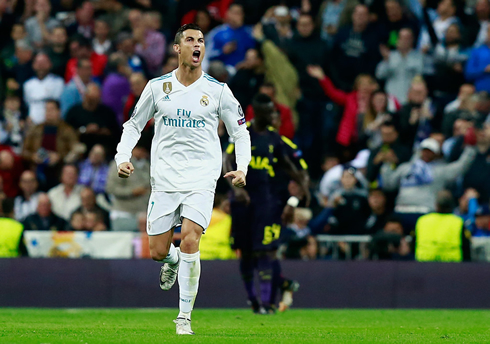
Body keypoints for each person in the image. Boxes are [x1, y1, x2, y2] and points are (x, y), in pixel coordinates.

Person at [114, 24, 251, 335]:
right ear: (177, 48)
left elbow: (240, 132)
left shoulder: (218, 91)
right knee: (158, 252)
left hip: (202, 177)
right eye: (190, 40)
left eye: (201, 40)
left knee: (191, 237)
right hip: (164, 178)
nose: (197, 45)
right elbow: (134, 125)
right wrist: (122, 157)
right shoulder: (156, 87)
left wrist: (242, 167)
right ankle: (172, 261)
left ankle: (184, 318)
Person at [225, 94, 307, 314]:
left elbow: (298, 171)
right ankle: (255, 300)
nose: (273, 115)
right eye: (269, 111)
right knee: (246, 251)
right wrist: (234, 190)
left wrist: (294, 200)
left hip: (267, 203)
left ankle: (267, 303)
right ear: (257, 112)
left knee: (265, 251)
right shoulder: (242, 133)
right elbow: (226, 160)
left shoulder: (275, 140)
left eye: (273, 111)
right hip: (242, 202)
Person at [415, 190, 471, 262]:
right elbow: (466, 247)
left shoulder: (422, 220)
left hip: (424, 262)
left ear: (436, 205)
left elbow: (414, 243)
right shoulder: (458, 222)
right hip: (452, 264)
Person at [106, 144, 150, 231]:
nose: (142, 152)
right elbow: (111, 188)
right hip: (123, 213)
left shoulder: (147, 166)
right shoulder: (120, 165)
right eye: (140, 149)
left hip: (142, 215)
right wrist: (132, 191)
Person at [23, 52, 65, 124]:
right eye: (38, 62)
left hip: (53, 122)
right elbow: (27, 104)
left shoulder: (58, 82)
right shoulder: (28, 84)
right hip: (33, 123)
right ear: (33, 65)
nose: (41, 65)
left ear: (50, 64)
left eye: (44, 62)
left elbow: (61, 104)